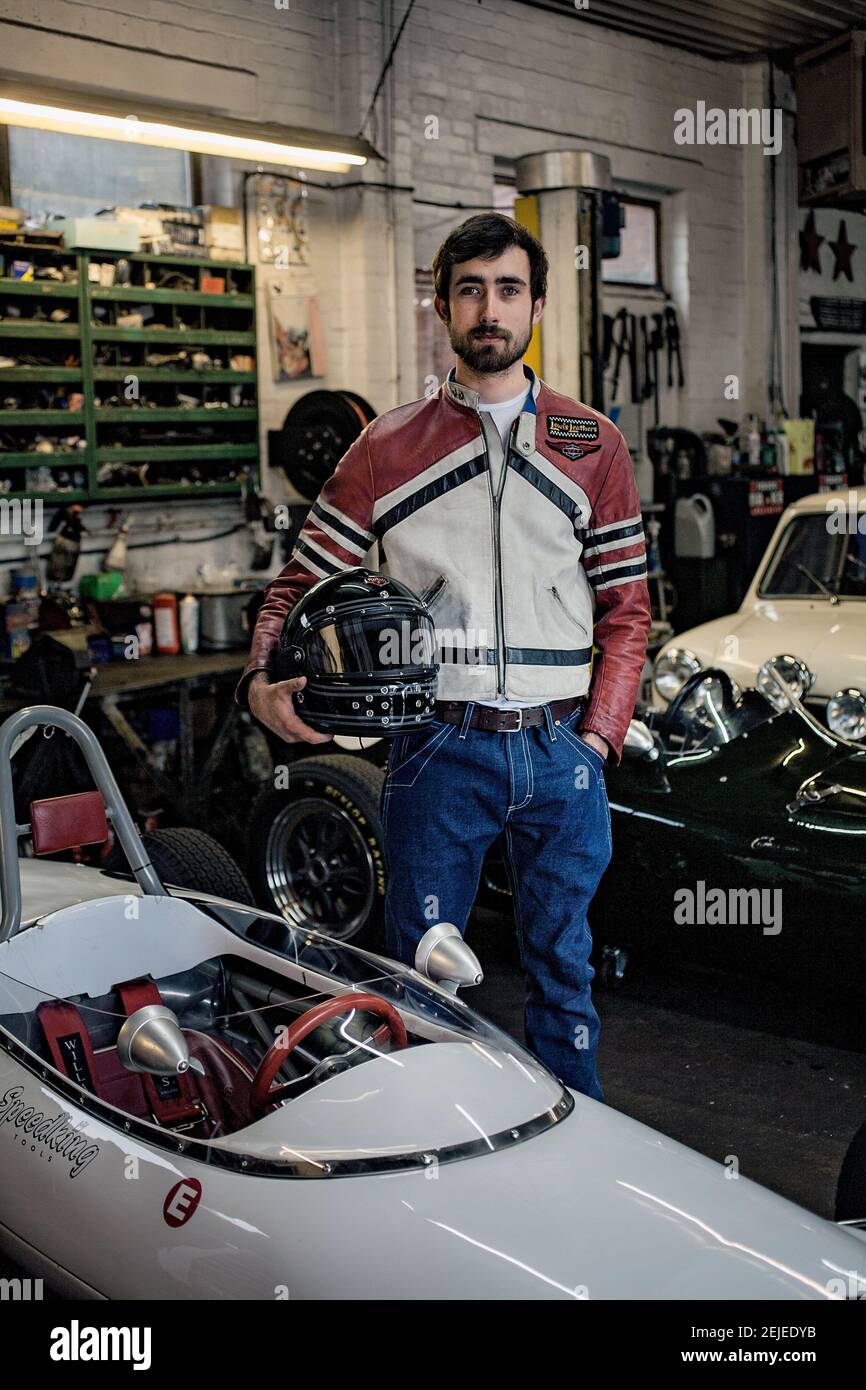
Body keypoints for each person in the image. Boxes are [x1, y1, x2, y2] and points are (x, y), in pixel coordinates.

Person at [238, 213, 651, 1100]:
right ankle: (424, 1149)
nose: (489, 308)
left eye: (508, 289)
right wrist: (259, 680)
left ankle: (575, 1147)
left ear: (537, 305)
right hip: (437, 749)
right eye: (470, 289)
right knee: (416, 983)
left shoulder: (596, 446)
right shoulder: (385, 449)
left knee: (565, 974)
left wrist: (599, 742)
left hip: (560, 752)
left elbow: (627, 610)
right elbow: (296, 585)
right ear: (442, 306)